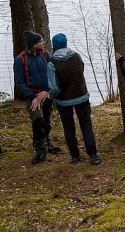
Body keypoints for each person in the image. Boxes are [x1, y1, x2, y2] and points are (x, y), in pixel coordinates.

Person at [47, 33, 101, 165]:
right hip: (82, 96)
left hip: (63, 101)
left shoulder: (52, 64)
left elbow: (53, 88)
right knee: (86, 126)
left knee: (68, 127)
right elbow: (81, 71)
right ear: (66, 43)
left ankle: (75, 156)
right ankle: (93, 155)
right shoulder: (77, 56)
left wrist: (52, 98)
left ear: (54, 45)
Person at [14, 30, 61, 165]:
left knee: (46, 121)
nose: (43, 43)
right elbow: (20, 82)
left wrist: (47, 91)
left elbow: (53, 73)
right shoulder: (20, 60)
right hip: (33, 97)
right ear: (34, 45)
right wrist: (33, 97)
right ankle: (40, 151)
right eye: (40, 41)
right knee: (38, 121)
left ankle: (47, 144)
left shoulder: (46, 55)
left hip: (46, 94)